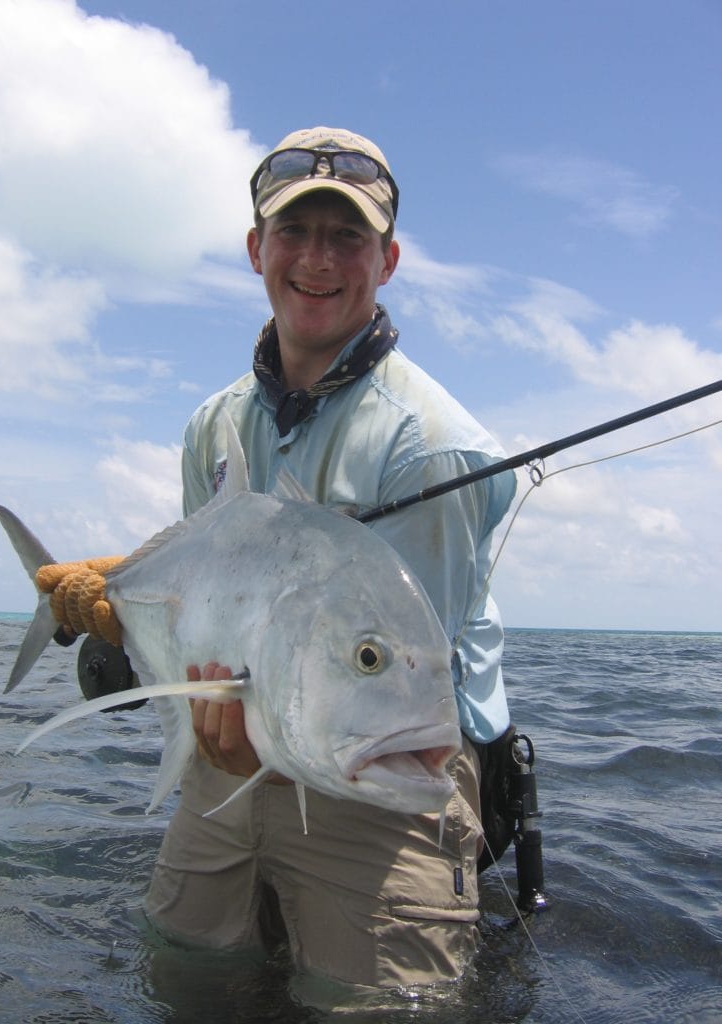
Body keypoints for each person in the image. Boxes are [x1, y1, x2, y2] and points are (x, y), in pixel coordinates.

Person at [140, 126, 517, 995]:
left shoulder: (431, 448)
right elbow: (200, 585)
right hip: (236, 743)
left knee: (383, 1005)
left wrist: (259, 724)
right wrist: (121, 626)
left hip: (384, 768)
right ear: (255, 250)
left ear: (386, 261)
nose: (317, 259)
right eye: (294, 232)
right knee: (182, 967)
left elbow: (392, 667)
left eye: (347, 236)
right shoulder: (213, 426)